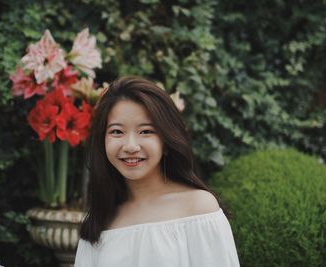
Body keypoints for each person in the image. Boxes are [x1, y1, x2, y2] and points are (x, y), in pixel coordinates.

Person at [74, 76, 240, 267]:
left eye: (145, 131)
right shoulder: (100, 220)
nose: (130, 146)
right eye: (117, 132)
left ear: (167, 141)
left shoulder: (198, 208)